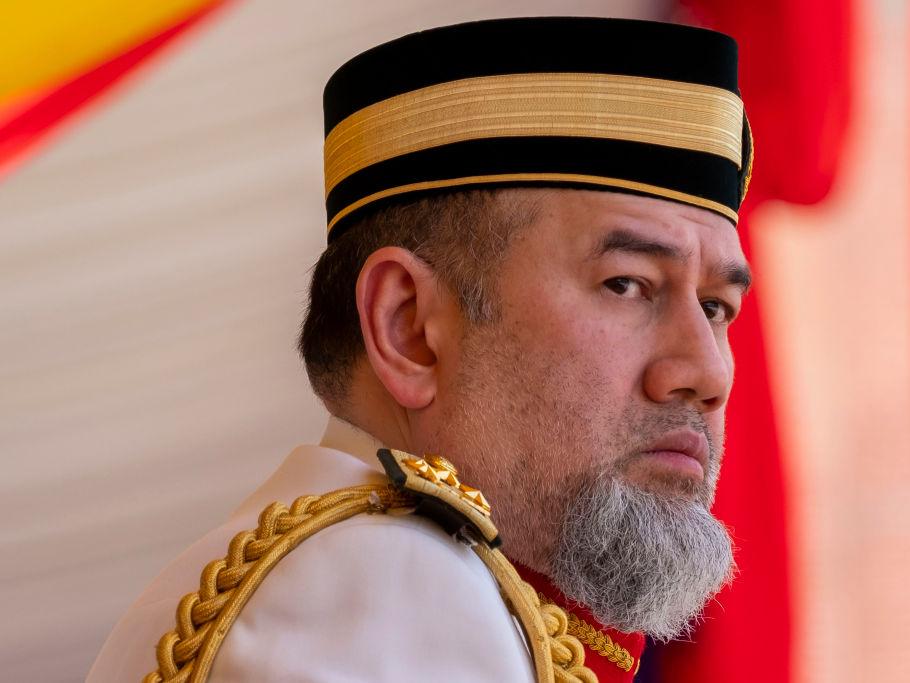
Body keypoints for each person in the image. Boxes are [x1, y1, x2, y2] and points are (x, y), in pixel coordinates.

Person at [88, 16, 753, 683]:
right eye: (626, 284)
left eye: (715, 306)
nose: (707, 372)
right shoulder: (392, 590)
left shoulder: (329, 574)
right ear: (408, 327)